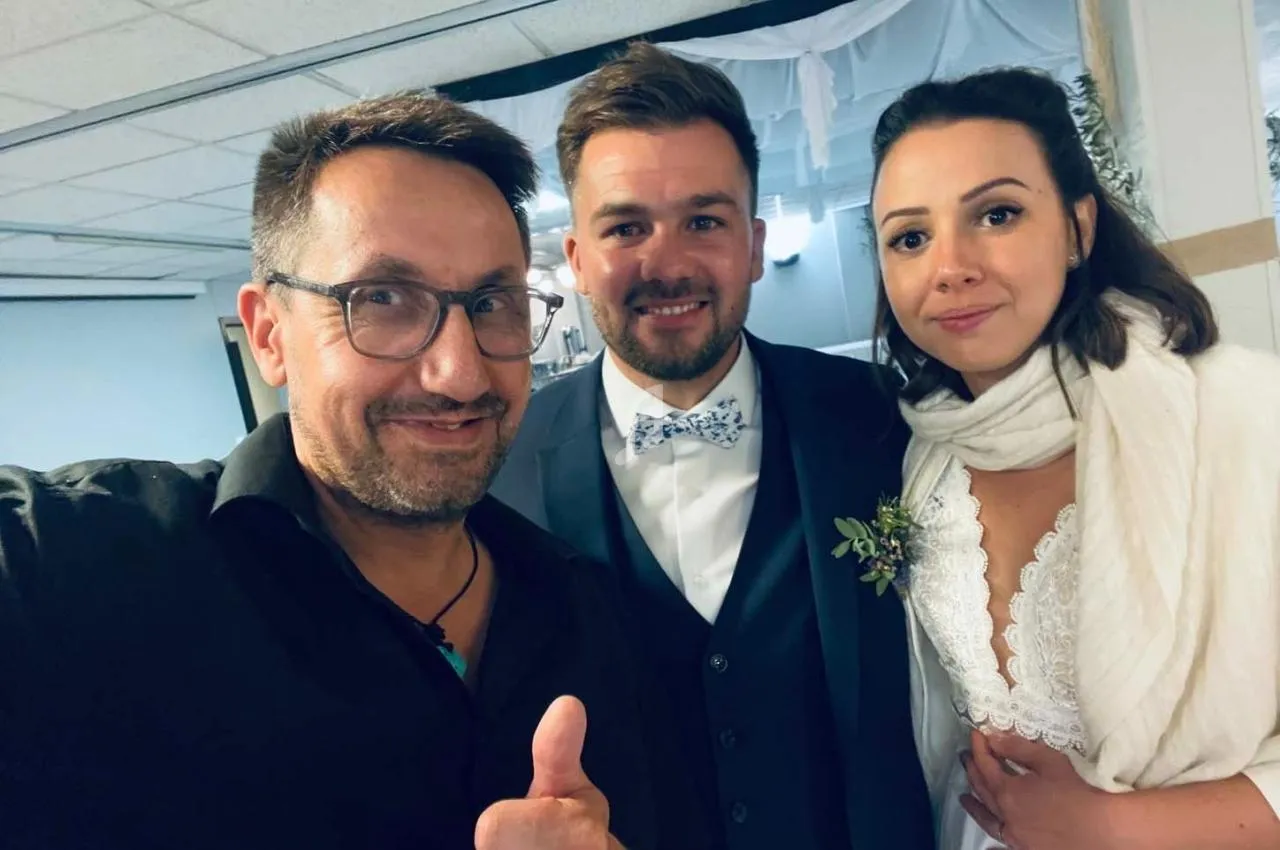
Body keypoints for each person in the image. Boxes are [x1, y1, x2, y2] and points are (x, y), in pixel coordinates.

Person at [0, 92, 661, 850]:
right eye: (381, 298)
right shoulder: (69, 573)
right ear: (268, 334)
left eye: (490, 302)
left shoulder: (585, 609)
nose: (458, 373)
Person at [489, 42, 935, 850]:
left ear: (754, 246)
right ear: (578, 261)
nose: (667, 264)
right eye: (627, 226)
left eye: (704, 221)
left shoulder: (881, 419)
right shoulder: (499, 466)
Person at [867, 66, 1280, 850]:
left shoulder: (1246, 416)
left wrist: (1113, 826)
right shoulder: (922, 455)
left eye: (997, 214)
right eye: (910, 237)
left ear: (1078, 228)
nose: (950, 267)